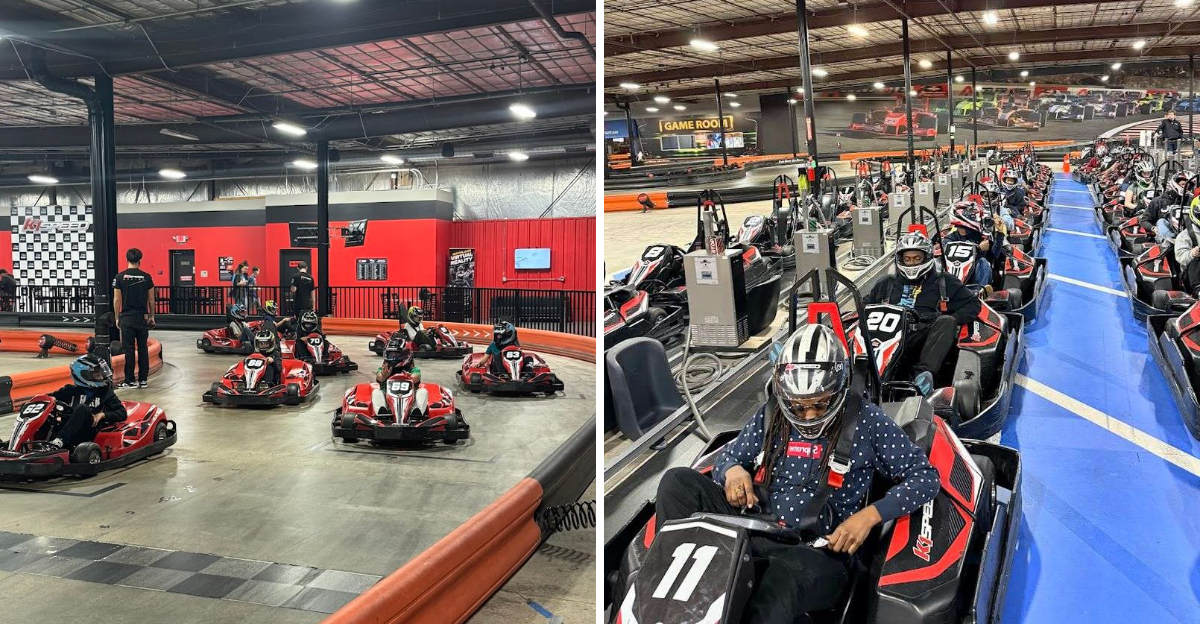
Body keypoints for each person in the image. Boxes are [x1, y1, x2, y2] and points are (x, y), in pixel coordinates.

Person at [654, 325, 940, 623]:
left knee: (776, 583)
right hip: (753, 525)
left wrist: (869, 517)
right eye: (799, 407)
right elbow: (729, 456)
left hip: (816, 550)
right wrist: (732, 471)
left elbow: (925, 478)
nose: (809, 415)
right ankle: (665, 589)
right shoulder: (772, 415)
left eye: (819, 404)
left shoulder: (868, 422)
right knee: (677, 481)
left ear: (839, 388)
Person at [865, 231, 982, 396]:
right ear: (900, 259)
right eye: (908, 259)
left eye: (916, 258)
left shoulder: (944, 281)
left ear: (926, 257)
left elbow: (973, 304)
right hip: (889, 338)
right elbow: (865, 306)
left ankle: (922, 378)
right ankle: (864, 375)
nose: (912, 263)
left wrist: (954, 318)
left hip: (925, 337)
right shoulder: (886, 283)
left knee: (947, 321)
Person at [46, 354, 127, 449]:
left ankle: (59, 442)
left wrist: (102, 415)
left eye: (100, 372)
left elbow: (122, 413)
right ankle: (35, 441)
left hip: (88, 431)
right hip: (65, 427)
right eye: (96, 373)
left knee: (83, 408)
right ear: (83, 375)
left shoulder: (105, 393)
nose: (100, 376)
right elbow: (48, 399)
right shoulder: (69, 390)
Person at [113, 248, 155, 390]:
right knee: (143, 349)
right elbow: (151, 300)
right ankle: (143, 380)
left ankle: (130, 381)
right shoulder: (146, 277)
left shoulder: (119, 277)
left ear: (127, 259)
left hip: (127, 318)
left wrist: (117, 317)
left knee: (129, 350)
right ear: (140, 260)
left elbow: (117, 300)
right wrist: (152, 316)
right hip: (142, 318)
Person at [944, 204, 1003, 293]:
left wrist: (1000, 234)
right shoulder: (950, 238)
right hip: (954, 276)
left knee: (983, 261)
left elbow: (994, 255)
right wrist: (978, 248)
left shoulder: (980, 236)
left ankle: (979, 293)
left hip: (975, 277)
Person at [373, 338, 427, 416]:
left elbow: (416, 376)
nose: (393, 357)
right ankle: (382, 414)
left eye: (396, 354)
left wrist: (410, 378)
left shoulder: (413, 369)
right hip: (388, 401)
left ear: (406, 355)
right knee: (376, 392)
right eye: (391, 354)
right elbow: (379, 377)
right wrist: (384, 375)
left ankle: (416, 413)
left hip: (409, 401)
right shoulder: (384, 369)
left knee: (422, 391)